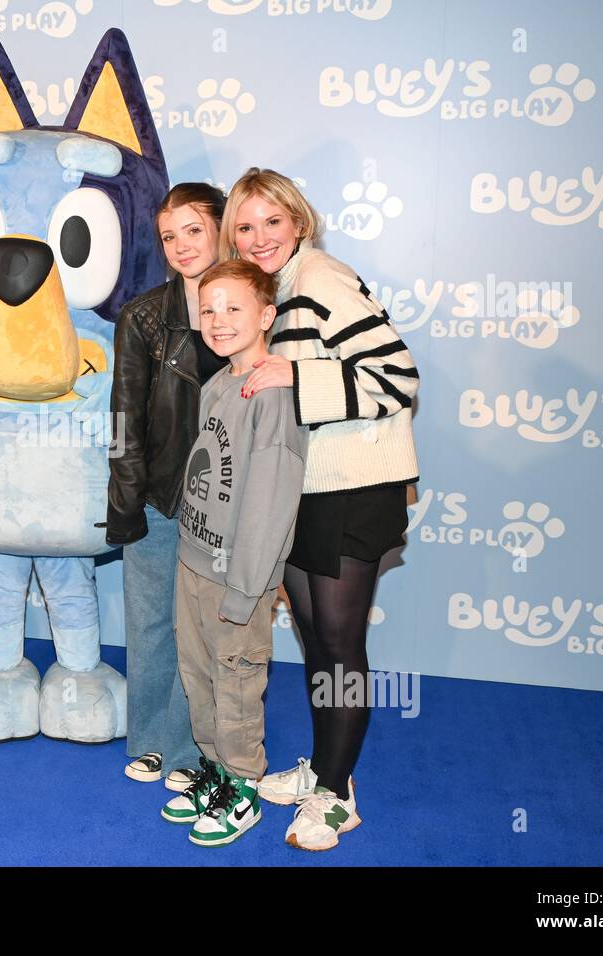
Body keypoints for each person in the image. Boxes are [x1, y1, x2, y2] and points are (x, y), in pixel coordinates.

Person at [230, 168, 420, 851]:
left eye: (271, 223)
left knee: (339, 647)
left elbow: (398, 378)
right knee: (318, 640)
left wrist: (295, 375)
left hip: (355, 487)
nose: (258, 239)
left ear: (299, 224)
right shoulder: (280, 289)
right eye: (244, 227)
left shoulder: (321, 279)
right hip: (313, 487)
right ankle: (326, 770)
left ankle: (337, 796)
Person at [161, 259, 308, 847]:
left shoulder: (273, 397)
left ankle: (244, 784)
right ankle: (217, 769)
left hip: (237, 578)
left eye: (234, 308)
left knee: (237, 679)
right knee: (198, 675)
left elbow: (271, 501)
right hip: (193, 560)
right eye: (209, 309)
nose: (217, 321)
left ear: (267, 316)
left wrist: (249, 587)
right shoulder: (218, 383)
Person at [109, 183, 226, 791]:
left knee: (207, 629)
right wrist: (124, 503)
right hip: (158, 497)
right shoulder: (144, 316)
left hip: (227, 505)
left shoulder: (258, 309)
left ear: (221, 230)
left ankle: (194, 748)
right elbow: (123, 421)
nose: (180, 245)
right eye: (168, 236)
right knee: (151, 622)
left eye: (193, 230)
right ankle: (152, 742)